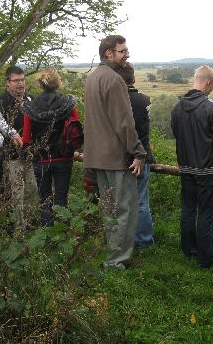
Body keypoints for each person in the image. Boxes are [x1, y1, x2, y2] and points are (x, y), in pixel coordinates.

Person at [83, 35, 146, 269]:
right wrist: (138, 152)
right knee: (123, 212)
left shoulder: (92, 78)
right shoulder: (114, 80)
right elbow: (125, 123)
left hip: (97, 157)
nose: (126, 55)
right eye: (122, 51)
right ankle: (116, 261)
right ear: (109, 53)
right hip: (117, 159)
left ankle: (111, 253)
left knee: (109, 210)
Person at [171, 65, 213, 269]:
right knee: (206, 213)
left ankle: (188, 250)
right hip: (208, 170)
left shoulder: (177, 107)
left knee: (188, 210)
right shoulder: (212, 107)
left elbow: (177, 134)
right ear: (208, 82)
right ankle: (205, 257)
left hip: (185, 167)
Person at [23, 70, 83, 226]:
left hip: (41, 159)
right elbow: (75, 131)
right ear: (57, 83)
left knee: (45, 199)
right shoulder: (69, 104)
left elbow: (26, 139)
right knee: (61, 199)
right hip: (64, 157)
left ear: (40, 84)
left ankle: (47, 240)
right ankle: (61, 235)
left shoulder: (30, 106)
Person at [115, 63, 155, 250]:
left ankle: (122, 241)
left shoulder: (114, 100)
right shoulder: (144, 100)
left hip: (118, 157)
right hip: (142, 155)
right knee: (140, 201)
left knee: (119, 202)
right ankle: (144, 241)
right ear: (133, 78)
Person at [0, 66, 39, 229]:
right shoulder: (0, 101)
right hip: (11, 154)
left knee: (32, 188)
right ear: (8, 82)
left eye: (22, 80)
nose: (20, 84)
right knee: (17, 191)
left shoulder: (30, 99)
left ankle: (26, 221)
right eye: (16, 81)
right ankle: (18, 227)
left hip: (29, 153)